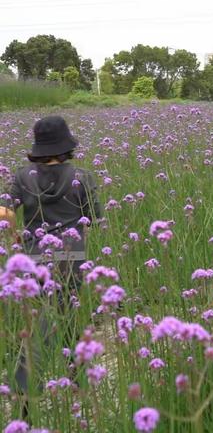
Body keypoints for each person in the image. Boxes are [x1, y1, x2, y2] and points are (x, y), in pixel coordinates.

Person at [0, 115, 102, 413]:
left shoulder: (21, 177)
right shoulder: (82, 177)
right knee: (47, 325)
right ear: (66, 144)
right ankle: (23, 389)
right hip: (72, 261)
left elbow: (4, 213)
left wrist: (18, 235)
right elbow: (92, 219)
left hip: (33, 262)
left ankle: (81, 377)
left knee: (65, 316)